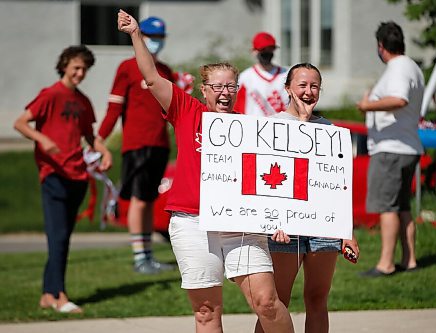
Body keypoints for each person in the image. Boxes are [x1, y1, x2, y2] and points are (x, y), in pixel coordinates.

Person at [117, 10, 294, 333]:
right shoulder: (187, 111)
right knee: (206, 311)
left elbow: (270, 177)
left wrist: (278, 218)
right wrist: (135, 35)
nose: (225, 92)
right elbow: (153, 78)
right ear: (204, 90)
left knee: (267, 302)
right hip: (192, 222)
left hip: (241, 222)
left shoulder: (249, 126)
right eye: (218, 87)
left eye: (231, 86)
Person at [254, 63, 360, 333]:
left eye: (314, 86)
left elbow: (340, 184)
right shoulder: (271, 125)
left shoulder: (329, 129)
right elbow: (264, 180)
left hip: (323, 227)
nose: (308, 91)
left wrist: (346, 232)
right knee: (277, 301)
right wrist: (271, 221)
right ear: (288, 88)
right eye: (302, 85)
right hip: (284, 229)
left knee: (317, 299)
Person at [13, 45, 112, 313]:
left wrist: (103, 151)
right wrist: (42, 139)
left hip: (77, 175)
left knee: (63, 237)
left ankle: (47, 294)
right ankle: (60, 296)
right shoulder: (50, 95)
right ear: (65, 65)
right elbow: (21, 123)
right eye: (76, 67)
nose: (80, 73)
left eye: (84, 69)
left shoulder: (82, 101)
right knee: (57, 237)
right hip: (54, 173)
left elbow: (89, 137)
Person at [97, 16, 177, 275]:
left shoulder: (165, 70)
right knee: (138, 200)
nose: (155, 42)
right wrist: (99, 139)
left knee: (149, 199)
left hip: (159, 144)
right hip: (136, 143)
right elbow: (113, 108)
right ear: (139, 36)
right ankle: (139, 257)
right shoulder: (127, 67)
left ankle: (148, 255)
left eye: (160, 37)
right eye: (151, 36)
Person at [356, 21, 424, 277]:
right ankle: (410, 260)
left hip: (392, 148)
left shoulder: (398, 68)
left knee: (388, 208)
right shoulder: (411, 67)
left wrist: (366, 106)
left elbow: (399, 99)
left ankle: (386, 264)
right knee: (402, 207)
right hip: (405, 145)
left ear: (381, 46)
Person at [234, 32, 288, 116]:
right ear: (254, 51)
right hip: (253, 127)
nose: (267, 52)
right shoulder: (245, 77)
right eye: (263, 49)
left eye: (270, 48)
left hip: (282, 126)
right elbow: (237, 107)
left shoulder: (286, 74)